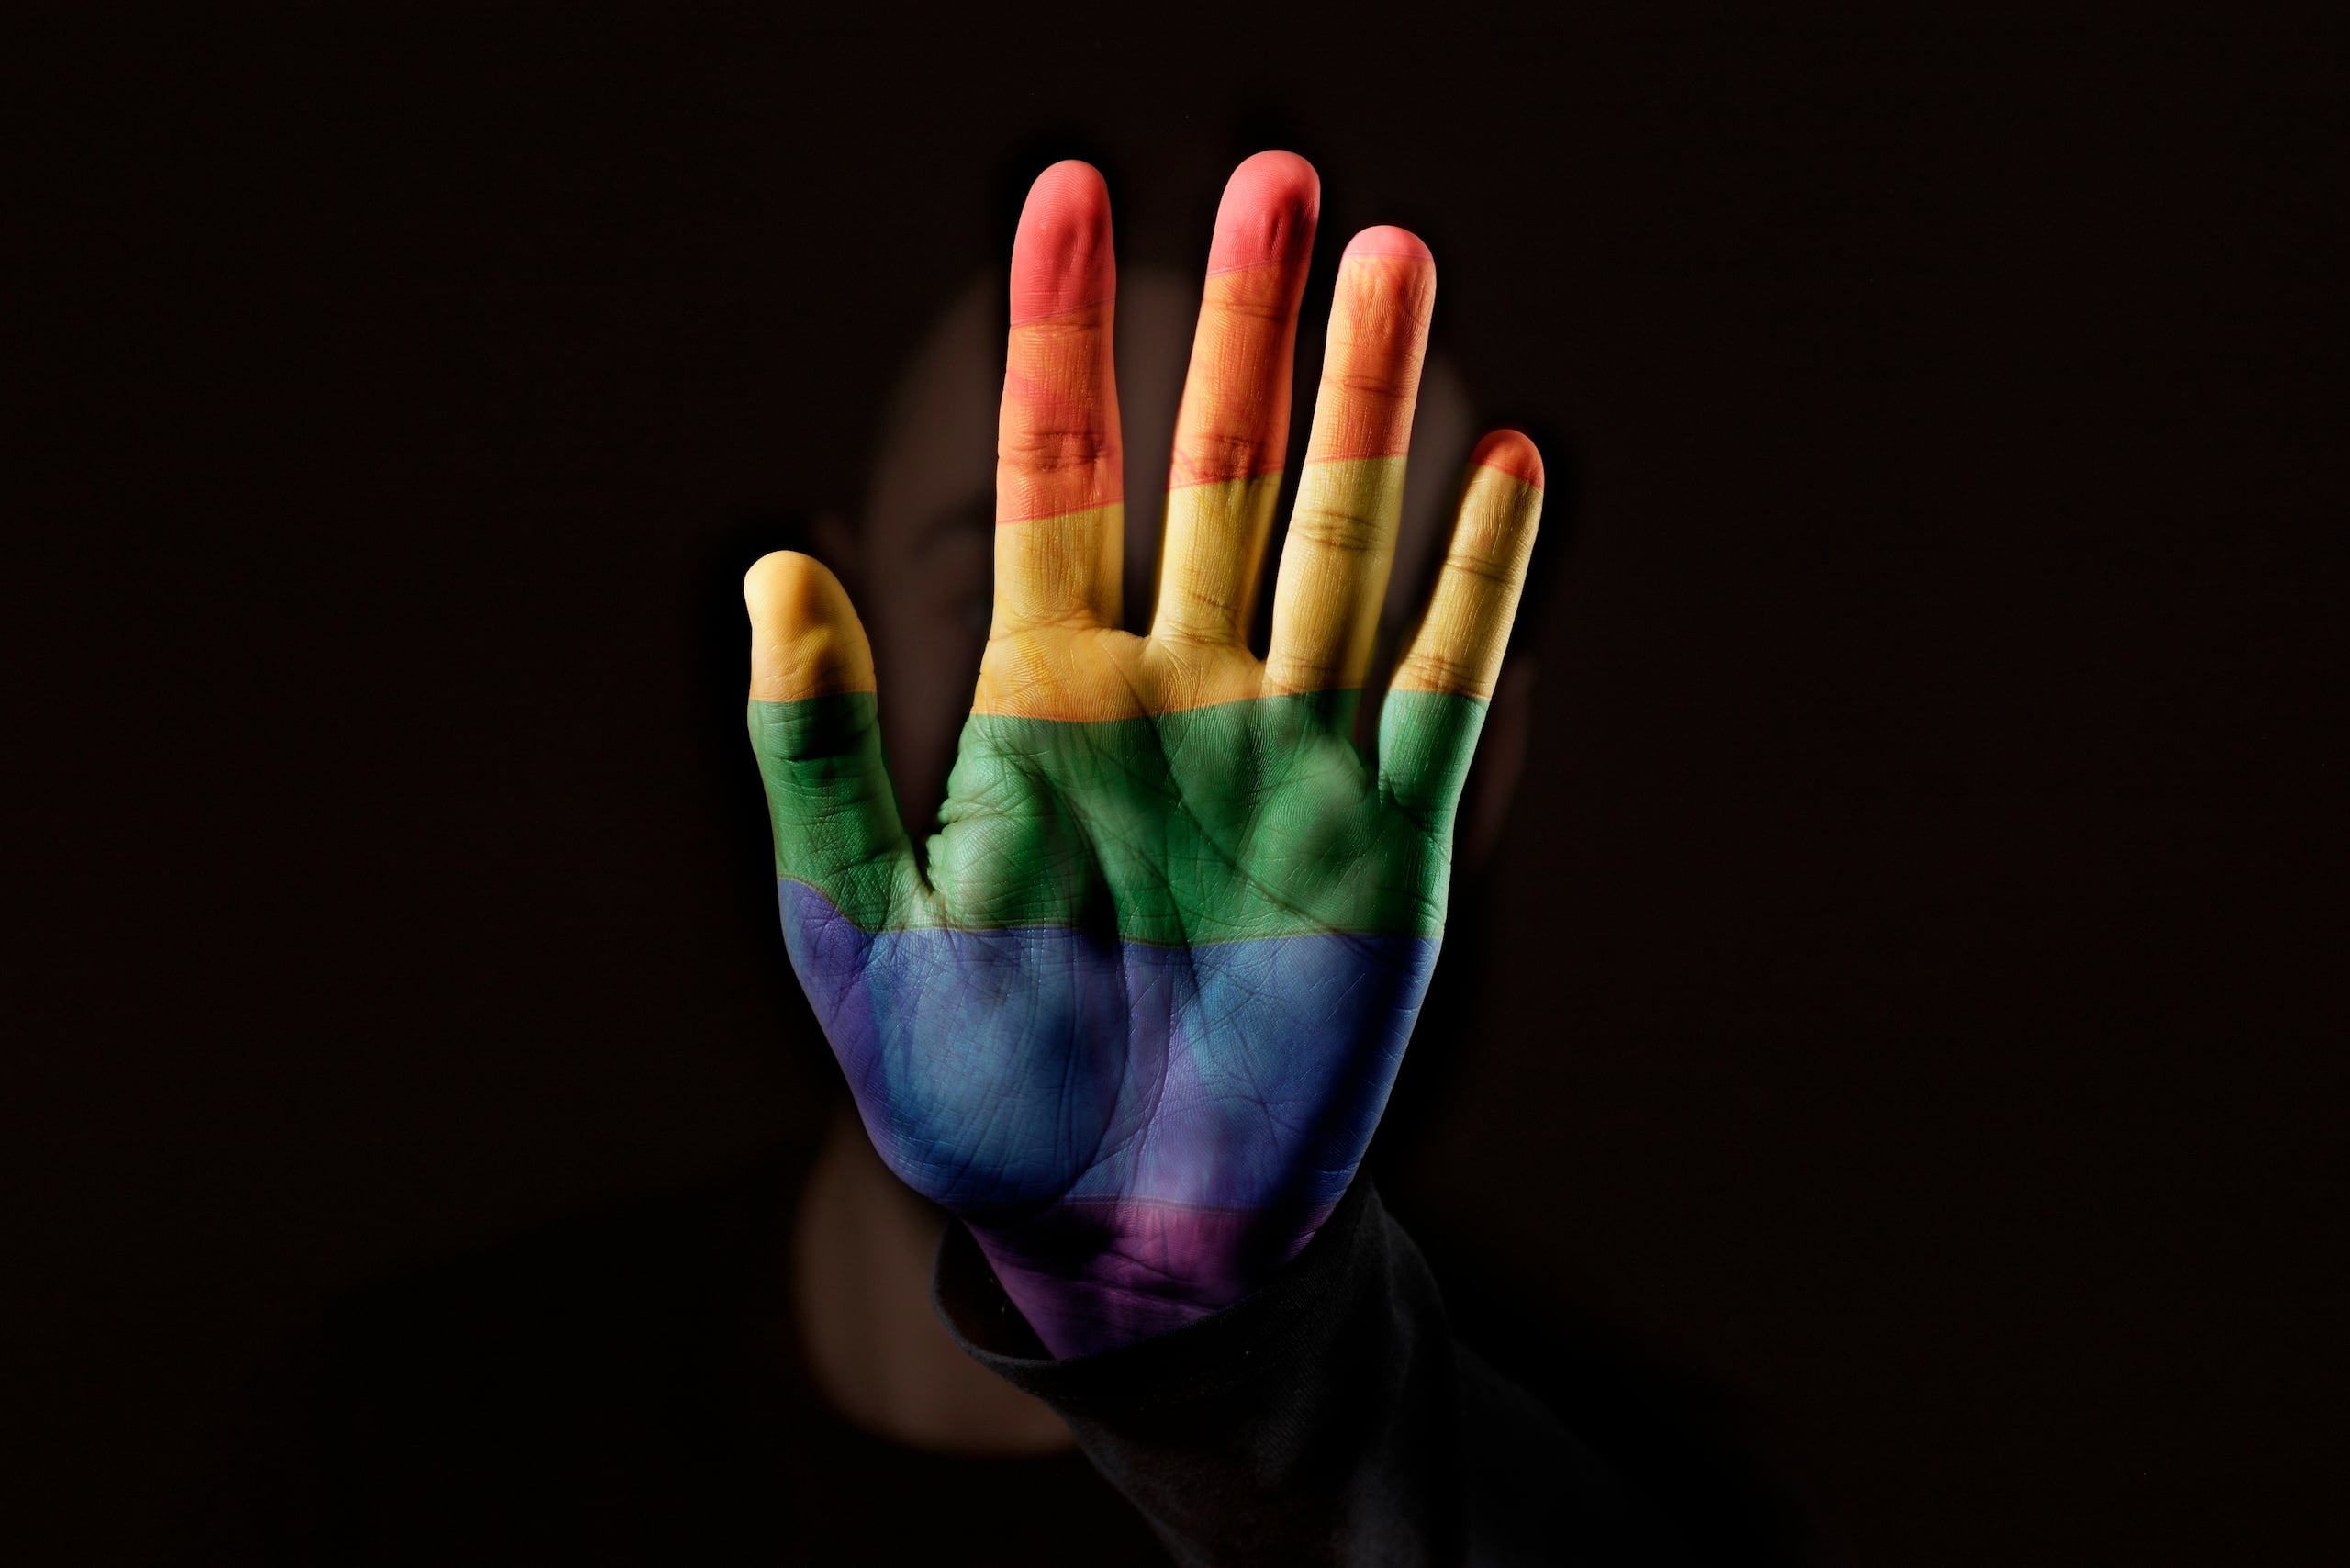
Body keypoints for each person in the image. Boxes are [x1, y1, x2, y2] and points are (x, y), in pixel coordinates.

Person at [269, 153, 1684, 1565]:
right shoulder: (411, 1443)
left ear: (1477, 774)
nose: (1131, 743)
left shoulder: (1643, 1508)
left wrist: (1222, 1368)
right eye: (988, 587)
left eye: (1267, 640)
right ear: (832, 634)